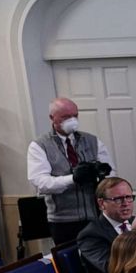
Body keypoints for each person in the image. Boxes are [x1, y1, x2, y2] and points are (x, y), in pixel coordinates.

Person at [27, 97, 115, 245]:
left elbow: (110, 172)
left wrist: (99, 177)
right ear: (52, 118)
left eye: (75, 115)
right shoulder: (39, 146)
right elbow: (41, 183)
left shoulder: (92, 140)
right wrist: (73, 179)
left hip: (96, 215)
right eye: (66, 117)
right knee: (70, 263)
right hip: (64, 221)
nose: (72, 120)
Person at [77, 177, 136, 273]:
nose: (125, 204)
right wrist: (132, 233)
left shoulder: (135, 222)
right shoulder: (90, 235)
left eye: (128, 197)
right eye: (117, 199)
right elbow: (115, 269)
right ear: (102, 203)